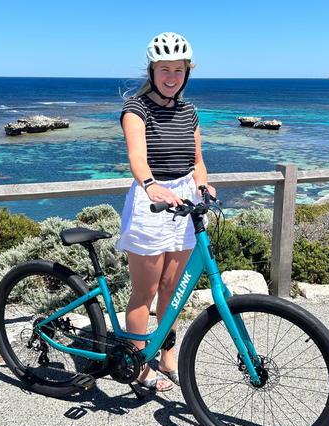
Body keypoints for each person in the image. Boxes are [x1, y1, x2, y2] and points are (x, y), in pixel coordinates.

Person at [116, 32, 215, 391]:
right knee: (145, 292)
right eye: (164, 69)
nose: (171, 76)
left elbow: (198, 161)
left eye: (178, 69)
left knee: (173, 291)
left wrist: (202, 186)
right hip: (151, 201)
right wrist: (150, 184)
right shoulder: (136, 108)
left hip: (185, 200)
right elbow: (136, 157)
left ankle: (167, 354)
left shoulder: (189, 111)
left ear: (186, 72)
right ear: (152, 70)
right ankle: (138, 361)